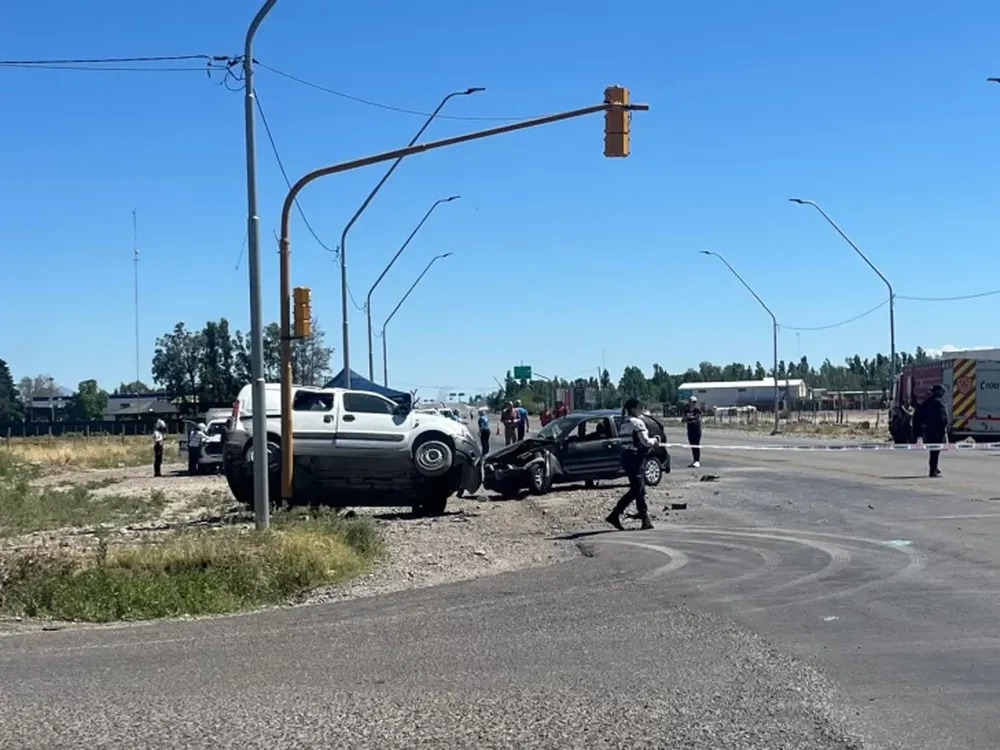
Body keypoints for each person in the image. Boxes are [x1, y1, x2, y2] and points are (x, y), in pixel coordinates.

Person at [606, 397, 659, 531]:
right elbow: (645, 441)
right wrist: (655, 441)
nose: (641, 409)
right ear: (633, 408)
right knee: (637, 489)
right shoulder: (637, 423)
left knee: (640, 489)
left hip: (626, 458)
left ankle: (644, 519)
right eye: (639, 407)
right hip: (636, 458)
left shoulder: (623, 423)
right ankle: (615, 514)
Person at [915, 384, 949, 478]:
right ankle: (933, 470)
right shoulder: (939, 403)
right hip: (937, 431)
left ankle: (934, 468)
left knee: (933, 451)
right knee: (935, 451)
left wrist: (922, 428)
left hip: (928, 431)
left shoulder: (926, 403)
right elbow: (942, 418)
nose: (943, 393)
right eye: (942, 391)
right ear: (938, 392)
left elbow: (917, 415)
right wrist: (944, 427)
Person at [682, 396, 703, 468]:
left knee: (696, 445)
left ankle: (697, 460)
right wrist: (688, 419)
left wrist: (689, 418)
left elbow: (696, 419)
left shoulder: (697, 410)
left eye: (695, 402)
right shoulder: (686, 411)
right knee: (692, 445)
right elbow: (683, 419)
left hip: (696, 430)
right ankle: (694, 460)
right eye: (692, 402)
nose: (694, 403)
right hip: (690, 430)